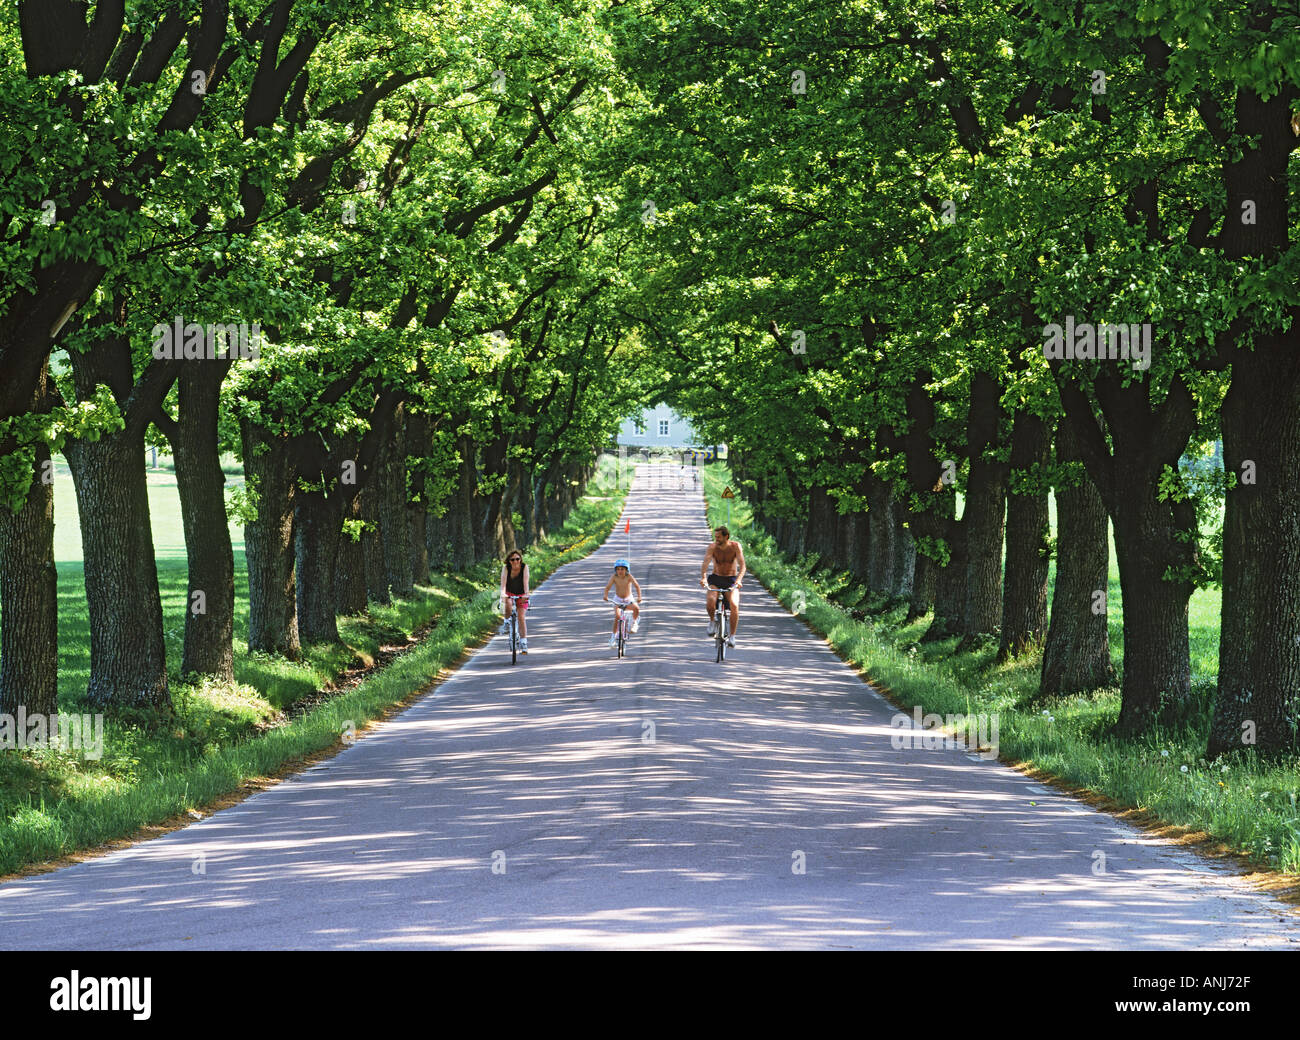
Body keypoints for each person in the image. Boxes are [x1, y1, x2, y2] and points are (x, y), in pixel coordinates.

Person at [700, 524, 745, 646]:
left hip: (731, 580)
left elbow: (743, 566)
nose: (716, 539)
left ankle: (732, 636)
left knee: (734, 605)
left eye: (719, 537)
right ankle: (712, 621)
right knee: (710, 601)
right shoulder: (712, 547)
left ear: (727, 537)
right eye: (715, 537)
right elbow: (705, 564)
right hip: (716, 579)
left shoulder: (735, 547)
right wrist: (704, 578)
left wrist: (739, 580)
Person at [603, 558, 642, 647]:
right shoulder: (614, 577)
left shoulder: (629, 576)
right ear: (616, 570)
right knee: (617, 616)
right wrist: (605, 595)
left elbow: (637, 586)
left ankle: (634, 622)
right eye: (618, 569)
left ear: (626, 570)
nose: (620, 571)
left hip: (628, 599)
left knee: (636, 608)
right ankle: (613, 637)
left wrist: (639, 597)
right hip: (618, 599)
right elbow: (607, 587)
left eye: (622, 569)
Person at [499, 550, 530, 653]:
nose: (515, 561)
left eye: (517, 559)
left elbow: (526, 583)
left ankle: (523, 642)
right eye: (512, 560)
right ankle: (507, 622)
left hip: (521, 593)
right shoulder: (506, 568)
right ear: (509, 561)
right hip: (509, 593)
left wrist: (526, 594)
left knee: (521, 617)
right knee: (507, 603)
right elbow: (503, 585)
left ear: (520, 560)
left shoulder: (524, 567)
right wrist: (503, 595)